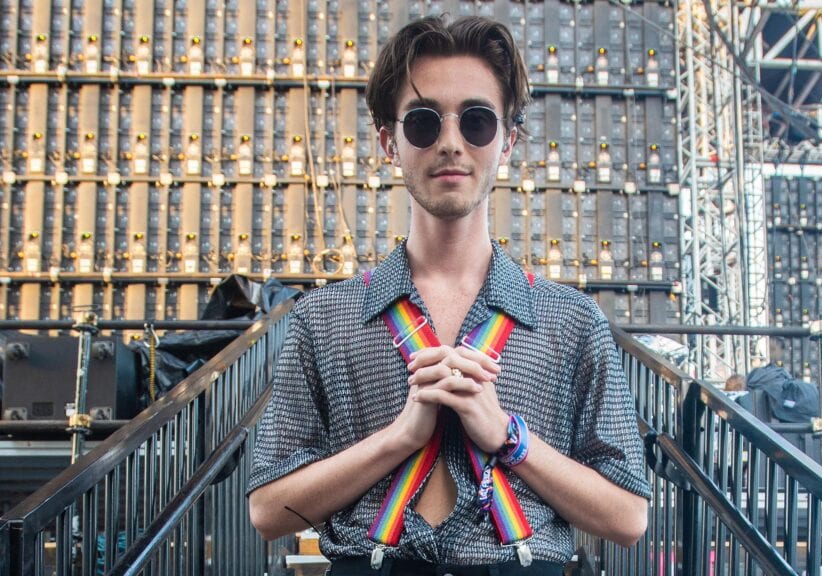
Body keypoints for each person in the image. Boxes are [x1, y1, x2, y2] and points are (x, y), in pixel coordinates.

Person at [247, 15, 650, 576]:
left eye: (477, 121)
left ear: (507, 141)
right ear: (390, 142)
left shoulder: (571, 320)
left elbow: (629, 515)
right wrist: (398, 438)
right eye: (423, 122)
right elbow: (267, 511)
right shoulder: (323, 319)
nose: (452, 143)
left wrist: (509, 437)